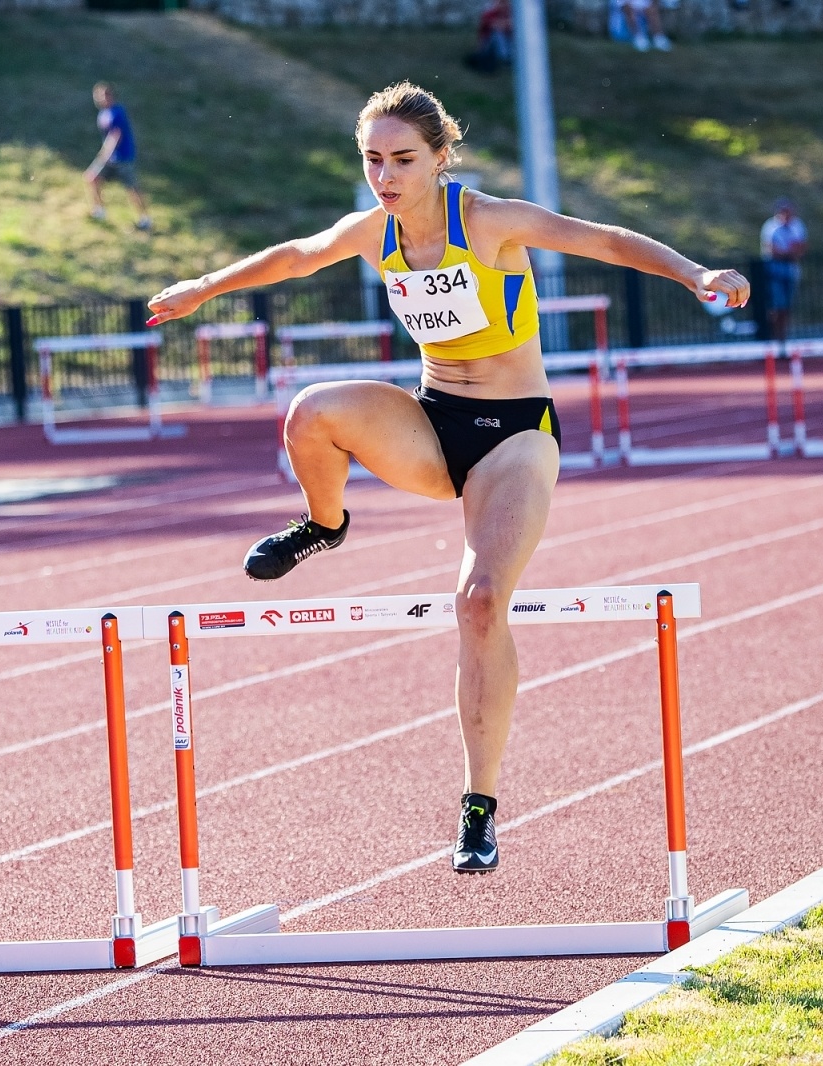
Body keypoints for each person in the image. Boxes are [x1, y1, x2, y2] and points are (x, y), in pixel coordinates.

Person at [146, 82, 747, 875]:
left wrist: (695, 273)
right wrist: (203, 289)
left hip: (515, 436)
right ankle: (326, 524)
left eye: (402, 160)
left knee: (481, 600)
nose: (385, 177)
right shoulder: (373, 231)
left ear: (438, 158)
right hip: (433, 425)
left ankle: (478, 806)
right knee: (309, 413)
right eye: (372, 160)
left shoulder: (489, 219)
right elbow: (295, 256)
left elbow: (601, 240)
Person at [85, 82, 152, 232]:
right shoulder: (103, 113)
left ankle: (145, 219)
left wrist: (104, 154)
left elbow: (116, 135)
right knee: (92, 177)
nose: (100, 99)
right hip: (109, 158)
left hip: (122, 157)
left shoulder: (117, 112)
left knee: (132, 188)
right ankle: (99, 211)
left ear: (110, 95)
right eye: (98, 96)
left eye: (103, 95)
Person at [760, 199, 808, 342]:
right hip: (774, 270)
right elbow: (772, 250)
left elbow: (800, 248)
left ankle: (783, 336)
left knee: (787, 305)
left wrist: (788, 253)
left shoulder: (797, 225)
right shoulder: (771, 227)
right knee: (775, 304)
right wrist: (788, 253)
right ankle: (773, 335)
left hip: (791, 269)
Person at [463, 1, 513, 73]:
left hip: (508, 45)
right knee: (497, 34)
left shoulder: (512, 15)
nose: (504, 5)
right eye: (502, 3)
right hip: (490, 46)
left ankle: (508, 57)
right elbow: (495, 26)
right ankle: (505, 58)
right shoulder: (490, 14)